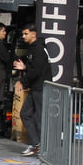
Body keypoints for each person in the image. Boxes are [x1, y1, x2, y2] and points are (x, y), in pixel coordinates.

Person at [13, 24, 50, 157]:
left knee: (39, 118)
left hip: (40, 88)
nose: (23, 37)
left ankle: (43, 147)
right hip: (34, 87)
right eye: (22, 34)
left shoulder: (39, 49)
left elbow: (37, 70)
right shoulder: (32, 49)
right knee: (25, 114)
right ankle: (36, 144)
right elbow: (33, 67)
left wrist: (23, 78)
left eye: (26, 34)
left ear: (33, 34)